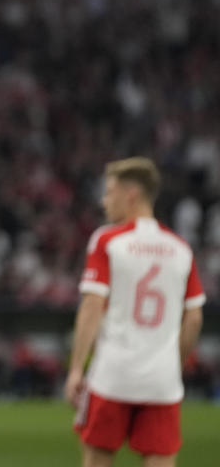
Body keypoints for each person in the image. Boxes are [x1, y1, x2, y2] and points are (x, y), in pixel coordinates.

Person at [65, 157, 205, 467]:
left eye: (109, 192)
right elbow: (194, 318)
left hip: (112, 375)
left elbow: (91, 306)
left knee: (98, 459)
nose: (104, 201)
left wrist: (76, 368)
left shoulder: (108, 240)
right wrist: (174, 363)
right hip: (162, 382)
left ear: (131, 194)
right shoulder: (180, 247)